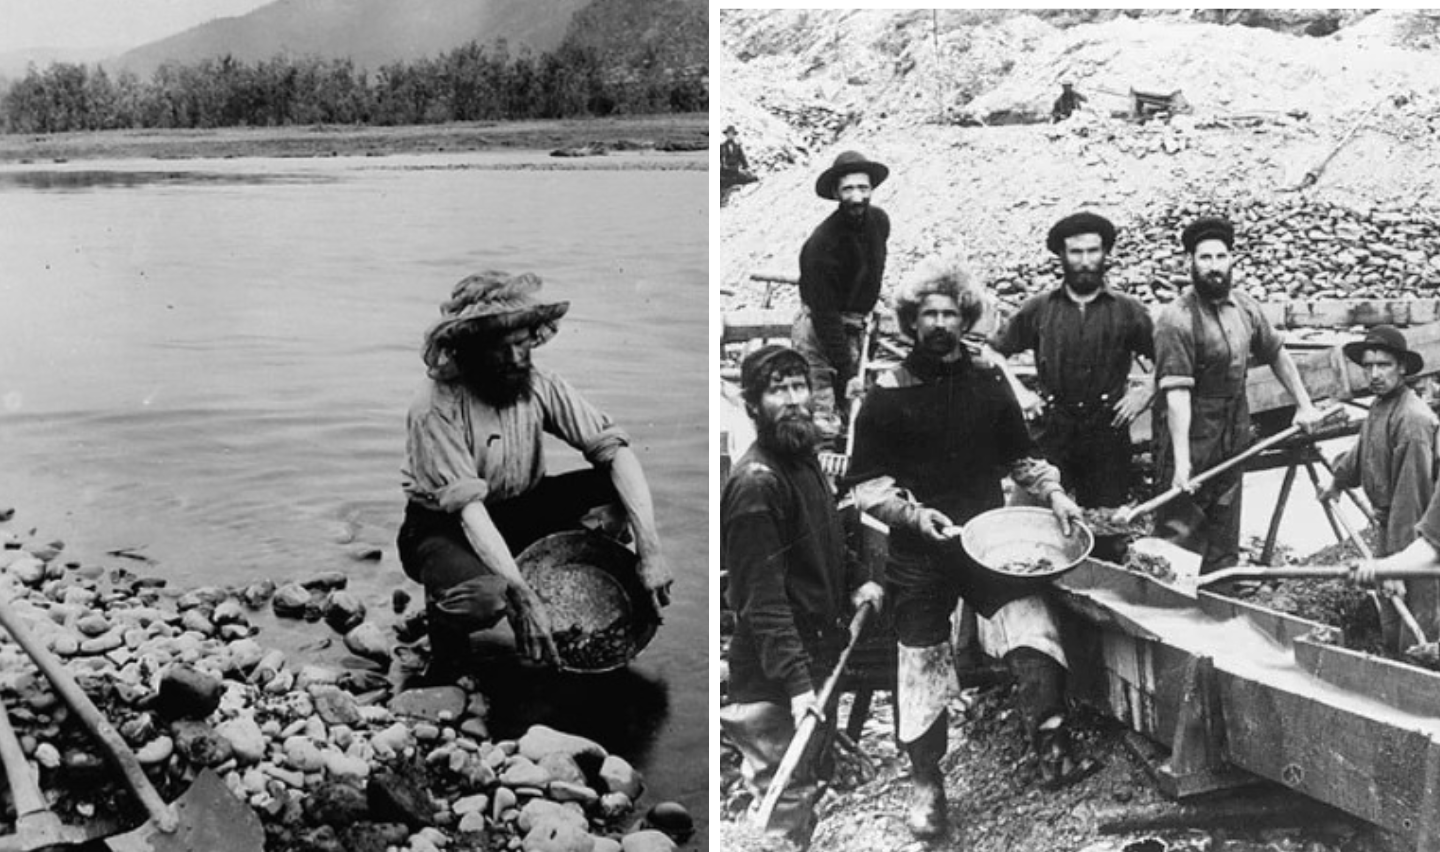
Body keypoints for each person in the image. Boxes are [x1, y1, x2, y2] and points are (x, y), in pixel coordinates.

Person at [847, 262, 1089, 840]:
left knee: (1032, 627)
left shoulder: (987, 382)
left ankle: (1051, 744)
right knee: (921, 663)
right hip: (918, 551)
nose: (939, 324)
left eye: (949, 313)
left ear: (964, 318)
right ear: (911, 323)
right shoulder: (887, 394)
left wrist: (1055, 494)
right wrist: (912, 514)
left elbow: (1021, 458)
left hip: (986, 543)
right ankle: (926, 783)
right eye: (928, 314)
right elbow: (866, 486)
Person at [397, 271, 673, 677]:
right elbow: (469, 511)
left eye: (521, 345)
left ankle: (556, 584)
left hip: (520, 507)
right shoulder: (435, 407)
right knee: (490, 600)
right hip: (444, 526)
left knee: (614, 487)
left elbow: (617, 453)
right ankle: (445, 628)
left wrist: (650, 552)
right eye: (499, 349)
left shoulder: (538, 385)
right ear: (470, 349)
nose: (513, 359)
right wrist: (521, 596)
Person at [720, 345, 885, 852]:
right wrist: (796, 686)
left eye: (799, 387)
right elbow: (761, 601)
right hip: (773, 676)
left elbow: (828, 532)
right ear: (752, 406)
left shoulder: (802, 459)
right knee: (783, 796)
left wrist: (857, 576)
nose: (793, 401)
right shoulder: (755, 485)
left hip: (814, 657)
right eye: (777, 391)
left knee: (808, 785)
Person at [1153, 217, 1325, 575]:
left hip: (1234, 422)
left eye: (1220, 257)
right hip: (1192, 428)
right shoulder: (1177, 318)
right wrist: (1182, 461)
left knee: (1226, 510)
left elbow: (1276, 352)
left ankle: (1220, 590)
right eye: (1205, 258)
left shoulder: (1245, 307)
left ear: (1232, 260)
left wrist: (1304, 404)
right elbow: (1177, 395)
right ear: (1190, 263)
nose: (1214, 266)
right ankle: (1172, 601)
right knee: (1182, 515)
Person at [993, 212, 1155, 540]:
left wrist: (1145, 392)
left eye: (1093, 251)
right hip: (1052, 431)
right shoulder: (1039, 308)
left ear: (1105, 254)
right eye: (1075, 252)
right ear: (1062, 256)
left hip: (1107, 434)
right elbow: (992, 352)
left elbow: (1170, 359)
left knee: (1106, 530)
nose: (1085, 261)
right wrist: (1020, 394)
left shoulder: (1128, 310)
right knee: (1033, 526)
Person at [1320, 325, 1438, 647]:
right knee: (1389, 611)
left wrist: (1397, 566)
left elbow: (1410, 500)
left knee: (1417, 619)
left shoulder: (1413, 420)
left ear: (1401, 368)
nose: (1374, 373)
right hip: (1388, 528)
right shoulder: (1380, 406)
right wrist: (1337, 481)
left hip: (1416, 534)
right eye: (1368, 366)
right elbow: (1361, 454)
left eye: (1383, 365)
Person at [793, 150, 892, 443]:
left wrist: (873, 300)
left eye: (863, 188)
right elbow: (826, 317)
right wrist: (848, 372)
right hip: (819, 332)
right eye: (849, 189)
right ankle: (820, 479)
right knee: (823, 418)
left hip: (857, 325)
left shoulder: (879, 222)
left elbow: (872, 267)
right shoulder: (822, 244)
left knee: (856, 412)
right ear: (837, 193)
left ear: (872, 189)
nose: (858, 196)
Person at [720, 125, 758, 192]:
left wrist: (746, 168)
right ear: (726, 135)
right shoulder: (721, 147)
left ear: (734, 135)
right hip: (725, 173)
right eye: (729, 134)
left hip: (735, 172)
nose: (730, 135)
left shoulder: (737, 147)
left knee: (753, 179)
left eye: (732, 134)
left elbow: (742, 158)